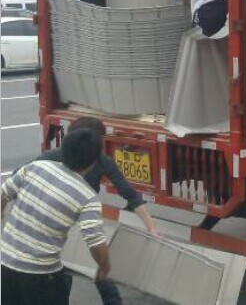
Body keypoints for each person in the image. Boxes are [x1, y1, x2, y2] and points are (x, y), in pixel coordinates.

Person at [36, 117, 161, 305]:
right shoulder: (52, 157)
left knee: (101, 270)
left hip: (81, 221)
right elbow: (18, 181)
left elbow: (130, 195)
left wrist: (151, 227)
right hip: (54, 223)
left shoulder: (102, 161)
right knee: (62, 275)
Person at [1, 129, 111, 305]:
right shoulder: (87, 197)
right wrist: (105, 267)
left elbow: (3, 194)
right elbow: (96, 242)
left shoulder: (35, 167)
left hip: (5, 265)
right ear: (93, 162)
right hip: (41, 275)